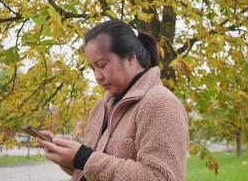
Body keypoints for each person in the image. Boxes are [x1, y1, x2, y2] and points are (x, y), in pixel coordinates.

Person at [38, 19, 189, 181]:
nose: (97, 76)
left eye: (102, 65)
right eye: (92, 68)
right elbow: (93, 170)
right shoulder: (100, 108)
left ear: (131, 58)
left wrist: (84, 158)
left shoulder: (160, 103)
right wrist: (68, 156)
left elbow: (160, 177)